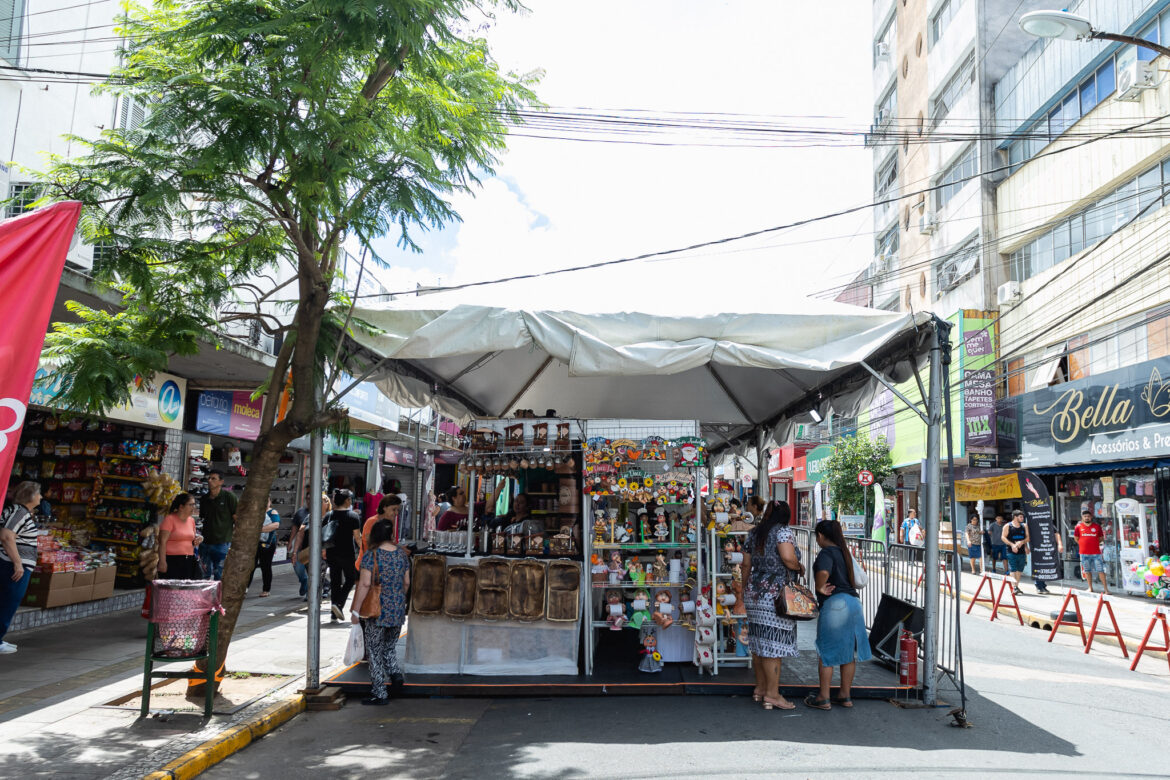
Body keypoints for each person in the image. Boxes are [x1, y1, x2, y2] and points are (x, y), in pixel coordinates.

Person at [742, 500, 802, 711]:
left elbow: (746, 564)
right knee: (773, 646)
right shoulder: (783, 532)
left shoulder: (754, 533)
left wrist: (743, 592)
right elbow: (787, 557)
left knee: (759, 643)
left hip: (754, 592)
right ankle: (773, 695)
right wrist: (799, 566)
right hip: (775, 595)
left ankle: (760, 689)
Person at [806, 519, 872, 710]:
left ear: (820, 536)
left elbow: (824, 572)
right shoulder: (845, 552)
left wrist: (819, 587)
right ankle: (845, 695)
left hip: (836, 604)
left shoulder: (827, 552)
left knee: (826, 651)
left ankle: (824, 697)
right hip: (854, 604)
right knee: (848, 652)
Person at [350, 519, 410, 705]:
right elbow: (406, 582)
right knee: (390, 646)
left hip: (377, 609)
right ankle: (396, 676)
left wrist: (356, 610)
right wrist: (398, 599)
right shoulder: (402, 555)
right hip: (397, 608)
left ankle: (379, 692)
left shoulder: (371, 555)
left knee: (374, 651)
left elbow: (365, 584)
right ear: (391, 535)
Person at [0, 482, 43, 654]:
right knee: (8, 601)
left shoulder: (19, 512)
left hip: (10, 564)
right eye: (39, 494)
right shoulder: (20, 512)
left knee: (7, 601)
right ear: (31, 496)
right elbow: (6, 535)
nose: (41, 497)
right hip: (11, 565)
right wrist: (18, 563)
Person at [324, 489, 361, 621]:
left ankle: (334, 612)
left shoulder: (328, 515)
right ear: (346, 501)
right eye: (350, 499)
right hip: (347, 553)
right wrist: (363, 550)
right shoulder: (353, 516)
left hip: (331, 552)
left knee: (335, 581)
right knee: (350, 579)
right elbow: (357, 537)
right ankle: (338, 604)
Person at [198, 470, 237, 580]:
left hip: (222, 543)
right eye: (209, 478)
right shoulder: (204, 499)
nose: (210, 481)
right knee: (204, 574)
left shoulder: (229, 497)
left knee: (219, 574)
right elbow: (202, 518)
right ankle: (205, 597)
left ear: (221, 482)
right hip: (205, 542)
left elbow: (237, 519)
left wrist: (234, 538)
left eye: (213, 478)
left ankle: (219, 597)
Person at [157, 493, 203, 579]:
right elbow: (162, 542)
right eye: (191, 505)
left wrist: (199, 539)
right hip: (172, 560)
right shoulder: (169, 519)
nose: (194, 507)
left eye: (194, 504)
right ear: (181, 507)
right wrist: (162, 562)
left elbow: (191, 538)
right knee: (172, 590)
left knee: (186, 590)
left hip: (189, 560)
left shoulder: (192, 520)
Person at [247, 497, 281, 596]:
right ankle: (245, 588)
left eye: (267, 500)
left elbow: (275, 525)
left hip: (267, 544)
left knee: (265, 566)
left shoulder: (272, 512)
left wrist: (258, 530)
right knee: (250, 567)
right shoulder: (255, 512)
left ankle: (266, 589)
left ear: (270, 502)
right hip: (254, 543)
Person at [359, 495, 402, 569]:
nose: (396, 513)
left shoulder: (390, 522)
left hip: (382, 565)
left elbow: (392, 543)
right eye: (394, 509)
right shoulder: (372, 522)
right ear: (384, 508)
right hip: (369, 567)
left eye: (398, 510)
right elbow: (369, 545)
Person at [1075, 510, 1110, 594]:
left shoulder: (1097, 527)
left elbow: (1101, 538)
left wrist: (1093, 543)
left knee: (1100, 570)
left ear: (1091, 517)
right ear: (1082, 518)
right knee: (1087, 571)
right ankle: (1090, 588)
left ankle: (1106, 589)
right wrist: (1084, 544)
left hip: (1096, 553)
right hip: (1084, 553)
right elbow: (1076, 538)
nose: (1087, 517)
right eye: (1085, 516)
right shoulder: (1078, 527)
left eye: (1088, 516)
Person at [1032, 516, 1063, 595]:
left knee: (1046, 567)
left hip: (1049, 549)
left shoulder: (1049, 523)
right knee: (1039, 567)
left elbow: (1056, 533)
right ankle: (1039, 586)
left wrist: (1060, 544)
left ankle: (1043, 585)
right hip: (1038, 549)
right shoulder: (1034, 524)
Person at [1002, 510, 1030, 595]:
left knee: (1020, 569)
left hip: (1021, 551)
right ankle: (1014, 587)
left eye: (1022, 517)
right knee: (1013, 568)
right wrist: (1012, 545)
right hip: (1011, 551)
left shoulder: (1024, 526)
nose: (1022, 518)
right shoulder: (1008, 526)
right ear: (1015, 517)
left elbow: (1028, 538)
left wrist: (1023, 543)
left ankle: (1016, 586)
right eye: (1021, 517)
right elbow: (1003, 537)